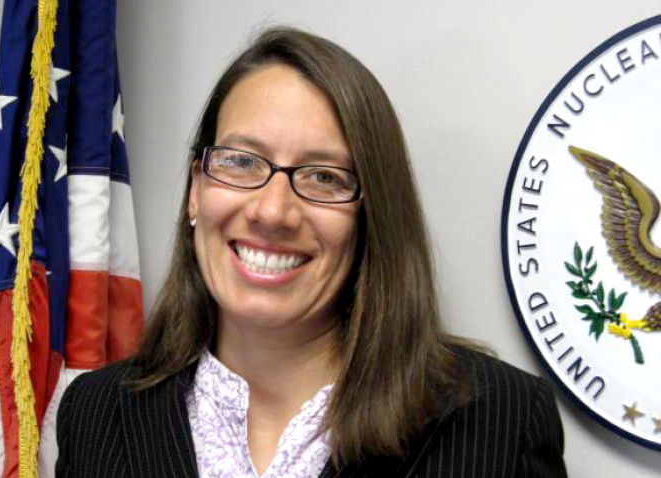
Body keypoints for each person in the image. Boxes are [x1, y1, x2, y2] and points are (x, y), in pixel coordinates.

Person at [56, 27, 567, 477]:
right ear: (196, 190)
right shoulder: (94, 415)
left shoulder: (503, 422)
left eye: (324, 176)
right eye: (241, 161)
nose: (273, 211)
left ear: (373, 215)